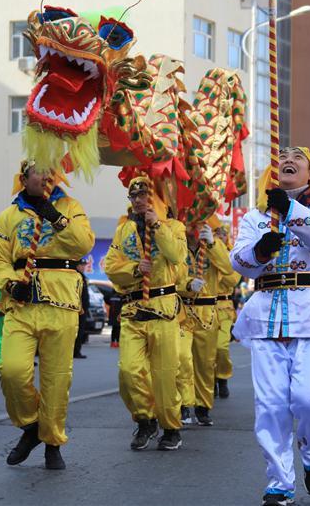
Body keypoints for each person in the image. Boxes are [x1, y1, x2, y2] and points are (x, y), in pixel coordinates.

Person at [230, 147, 310, 506]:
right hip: (265, 319)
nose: (288, 160)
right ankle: (279, 483)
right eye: (282, 158)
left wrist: (291, 209)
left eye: (297, 157)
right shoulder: (255, 217)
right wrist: (261, 250)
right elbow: (241, 262)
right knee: (272, 406)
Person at [0, 160, 95, 470]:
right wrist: (9, 282)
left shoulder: (71, 206)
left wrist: (55, 216)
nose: (47, 176)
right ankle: (32, 426)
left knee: (56, 379)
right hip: (21, 303)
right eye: (39, 171)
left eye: (52, 171)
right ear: (25, 178)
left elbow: (84, 244)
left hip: (60, 304)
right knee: (11, 370)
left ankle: (52, 442)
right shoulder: (10, 215)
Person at [105, 176, 186, 452]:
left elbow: (176, 256)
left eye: (143, 194)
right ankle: (144, 419)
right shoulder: (123, 229)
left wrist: (157, 225)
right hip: (132, 311)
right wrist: (135, 269)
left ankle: (171, 427)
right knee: (129, 372)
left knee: (164, 376)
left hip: (162, 311)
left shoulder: (174, 226)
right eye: (133, 195)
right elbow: (110, 266)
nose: (138, 200)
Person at [177, 223, 236, 426]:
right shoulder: (178, 243)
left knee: (205, 363)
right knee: (182, 359)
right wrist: (185, 285)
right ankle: (183, 405)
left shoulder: (213, 245)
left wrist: (213, 244)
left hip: (208, 312)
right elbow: (167, 275)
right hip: (182, 310)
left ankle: (203, 406)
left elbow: (229, 269)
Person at [214, 224, 239, 399]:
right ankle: (208, 382)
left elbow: (232, 280)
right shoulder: (205, 254)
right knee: (204, 351)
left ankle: (222, 377)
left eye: (223, 235)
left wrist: (221, 263)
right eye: (217, 235)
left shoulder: (232, 256)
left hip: (224, 307)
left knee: (221, 347)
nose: (220, 238)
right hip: (204, 307)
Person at [73, 260, 90, 359]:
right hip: (78, 308)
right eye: (82, 265)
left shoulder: (82, 276)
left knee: (80, 331)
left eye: (84, 265)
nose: (83, 267)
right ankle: (75, 351)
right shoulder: (75, 276)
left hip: (83, 307)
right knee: (77, 331)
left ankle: (76, 351)